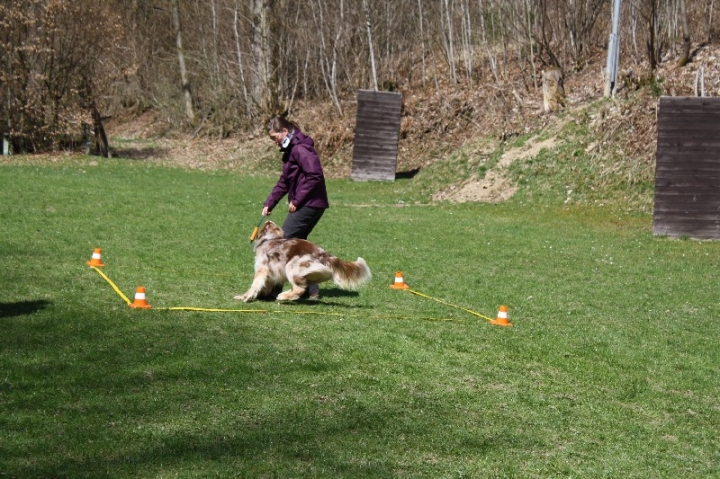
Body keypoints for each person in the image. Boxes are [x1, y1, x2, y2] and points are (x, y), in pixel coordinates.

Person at [261, 115, 329, 299]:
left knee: (282, 244)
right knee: (299, 247)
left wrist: (297, 200)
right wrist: (270, 202)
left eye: (275, 137)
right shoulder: (291, 149)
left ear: (285, 131)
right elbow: (284, 181)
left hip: (310, 204)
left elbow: (315, 175)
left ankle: (270, 290)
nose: (274, 142)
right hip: (310, 203)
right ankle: (312, 289)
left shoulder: (300, 149)